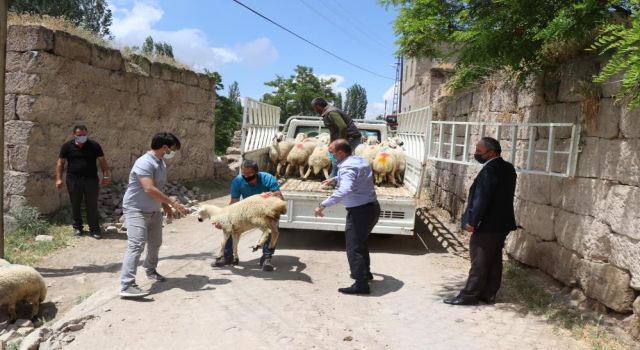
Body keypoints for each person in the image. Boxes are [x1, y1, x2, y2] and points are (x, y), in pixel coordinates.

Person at [444, 137, 517, 306]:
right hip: (501, 224)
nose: (476, 154)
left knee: (479, 260)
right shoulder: (507, 168)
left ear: (491, 152)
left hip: (488, 225)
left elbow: (482, 198)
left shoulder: (490, 170)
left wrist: (473, 221)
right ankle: (488, 293)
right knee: (493, 259)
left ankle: (469, 295)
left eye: (479, 151)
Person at [119, 132, 187, 298]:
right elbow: (148, 188)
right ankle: (127, 285)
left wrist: (165, 206)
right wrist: (173, 203)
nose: (173, 153)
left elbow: (158, 189)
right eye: (173, 149)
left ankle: (150, 270)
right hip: (135, 209)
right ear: (165, 147)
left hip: (153, 210)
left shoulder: (160, 163)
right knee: (136, 245)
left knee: (155, 243)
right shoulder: (144, 162)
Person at [314, 139, 380, 295]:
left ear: (341, 153)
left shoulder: (347, 167)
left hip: (360, 212)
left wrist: (323, 204)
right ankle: (365, 274)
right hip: (371, 208)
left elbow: (345, 190)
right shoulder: (359, 160)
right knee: (360, 243)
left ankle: (361, 284)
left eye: (332, 153)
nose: (330, 155)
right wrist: (335, 178)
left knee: (354, 247)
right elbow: (355, 175)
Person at [212, 159, 283, 271]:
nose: (246, 176)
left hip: (265, 211)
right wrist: (224, 217)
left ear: (256, 172)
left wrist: (272, 194)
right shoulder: (238, 181)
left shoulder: (268, 178)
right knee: (230, 225)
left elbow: (280, 198)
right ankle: (228, 257)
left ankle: (266, 258)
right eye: (244, 173)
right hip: (247, 211)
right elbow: (234, 202)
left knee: (272, 229)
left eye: (249, 174)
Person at [56, 125, 110, 239]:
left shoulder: (94, 146)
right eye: (79, 135)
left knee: (92, 205)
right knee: (75, 203)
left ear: (87, 134)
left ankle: (95, 229)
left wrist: (105, 176)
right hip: (73, 180)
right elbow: (61, 163)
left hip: (91, 179)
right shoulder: (67, 146)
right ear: (74, 135)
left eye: (84, 135)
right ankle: (77, 228)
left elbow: (102, 161)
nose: (82, 137)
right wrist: (59, 178)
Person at [311, 97, 362, 189]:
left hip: (351, 138)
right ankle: (343, 182)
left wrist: (340, 143)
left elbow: (342, 127)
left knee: (337, 161)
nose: (314, 110)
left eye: (314, 107)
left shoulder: (331, 112)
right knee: (340, 160)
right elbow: (334, 130)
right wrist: (332, 143)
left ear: (318, 106)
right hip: (349, 138)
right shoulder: (329, 112)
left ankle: (333, 183)